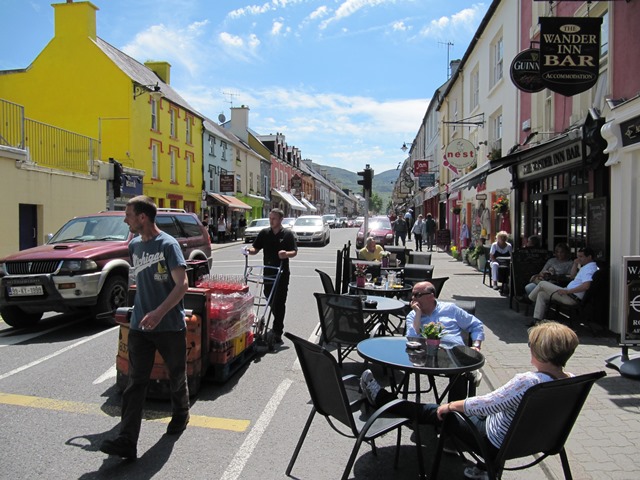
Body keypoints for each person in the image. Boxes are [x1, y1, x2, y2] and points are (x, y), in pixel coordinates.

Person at [360, 321, 578, 480]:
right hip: (539, 441)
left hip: (494, 442)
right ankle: (484, 469)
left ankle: (381, 398)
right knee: (468, 406)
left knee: (433, 411)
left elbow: (491, 403)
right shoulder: (573, 382)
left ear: (539, 351)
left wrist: (452, 406)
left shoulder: (528, 382)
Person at [100, 196, 190, 460]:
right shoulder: (136, 245)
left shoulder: (168, 245)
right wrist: (137, 310)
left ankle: (181, 414)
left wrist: (159, 312)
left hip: (170, 325)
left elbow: (182, 285)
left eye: (128, 214)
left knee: (176, 375)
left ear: (142, 217)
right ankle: (127, 440)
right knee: (135, 382)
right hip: (141, 325)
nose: (125, 219)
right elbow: (141, 282)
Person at [405, 281, 485, 400]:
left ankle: (453, 412)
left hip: (454, 355)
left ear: (431, 295)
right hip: (427, 357)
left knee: (459, 373)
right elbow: (411, 339)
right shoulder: (413, 315)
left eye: (418, 295)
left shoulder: (450, 309)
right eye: (413, 295)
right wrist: (418, 314)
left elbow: (476, 325)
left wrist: (476, 346)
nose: (413, 298)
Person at [243, 208, 298, 345]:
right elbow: (256, 248)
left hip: (282, 272)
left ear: (280, 220)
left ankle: (278, 331)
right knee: (269, 297)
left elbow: (294, 251)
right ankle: (275, 323)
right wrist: (249, 251)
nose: (271, 220)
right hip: (268, 271)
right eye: (270, 218)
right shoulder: (264, 233)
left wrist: (286, 254)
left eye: (274, 218)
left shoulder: (287, 234)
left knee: (279, 302)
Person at [528, 247, 598, 325]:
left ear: (589, 257)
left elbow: (586, 286)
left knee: (542, 284)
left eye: (581, 257)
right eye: (578, 256)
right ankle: (537, 320)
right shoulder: (586, 267)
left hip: (571, 297)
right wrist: (575, 263)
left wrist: (567, 291)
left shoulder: (589, 269)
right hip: (568, 294)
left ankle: (529, 298)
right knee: (542, 294)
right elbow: (572, 276)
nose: (579, 259)